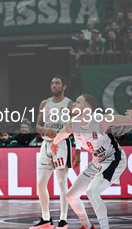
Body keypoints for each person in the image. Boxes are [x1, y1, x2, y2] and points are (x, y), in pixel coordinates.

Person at [51, 94, 132, 229]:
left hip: (114, 159)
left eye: (78, 101)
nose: (74, 104)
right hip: (97, 162)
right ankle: (87, 226)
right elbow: (62, 133)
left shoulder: (101, 120)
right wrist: (54, 144)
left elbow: (127, 121)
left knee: (92, 192)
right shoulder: (73, 125)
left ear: (88, 108)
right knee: (70, 196)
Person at [30, 76, 80, 229]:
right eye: (52, 83)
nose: (54, 85)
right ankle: (46, 219)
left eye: (57, 83)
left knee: (61, 182)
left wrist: (77, 150)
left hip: (62, 144)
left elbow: (77, 128)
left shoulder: (70, 104)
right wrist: (43, 129)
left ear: (64, 87)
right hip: (45, 144)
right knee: (40, 183)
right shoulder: (45, 103)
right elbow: (37, 126)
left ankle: (63, 220)